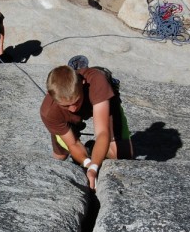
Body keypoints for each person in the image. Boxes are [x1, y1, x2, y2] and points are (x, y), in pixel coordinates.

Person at [40, 62, 133, 190]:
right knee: (60, 156)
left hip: (102, 103)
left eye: (76, 101)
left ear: (82, 83)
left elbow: (102, 132)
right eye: (66, 105)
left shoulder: (97, 81)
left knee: (122, 155)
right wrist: (88, 163)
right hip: (65, 118)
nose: (73, 109)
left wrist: (95, 166)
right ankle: (88, 154)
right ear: (52, 98)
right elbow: (72, 144)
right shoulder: (49, 112)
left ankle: (92, 149)